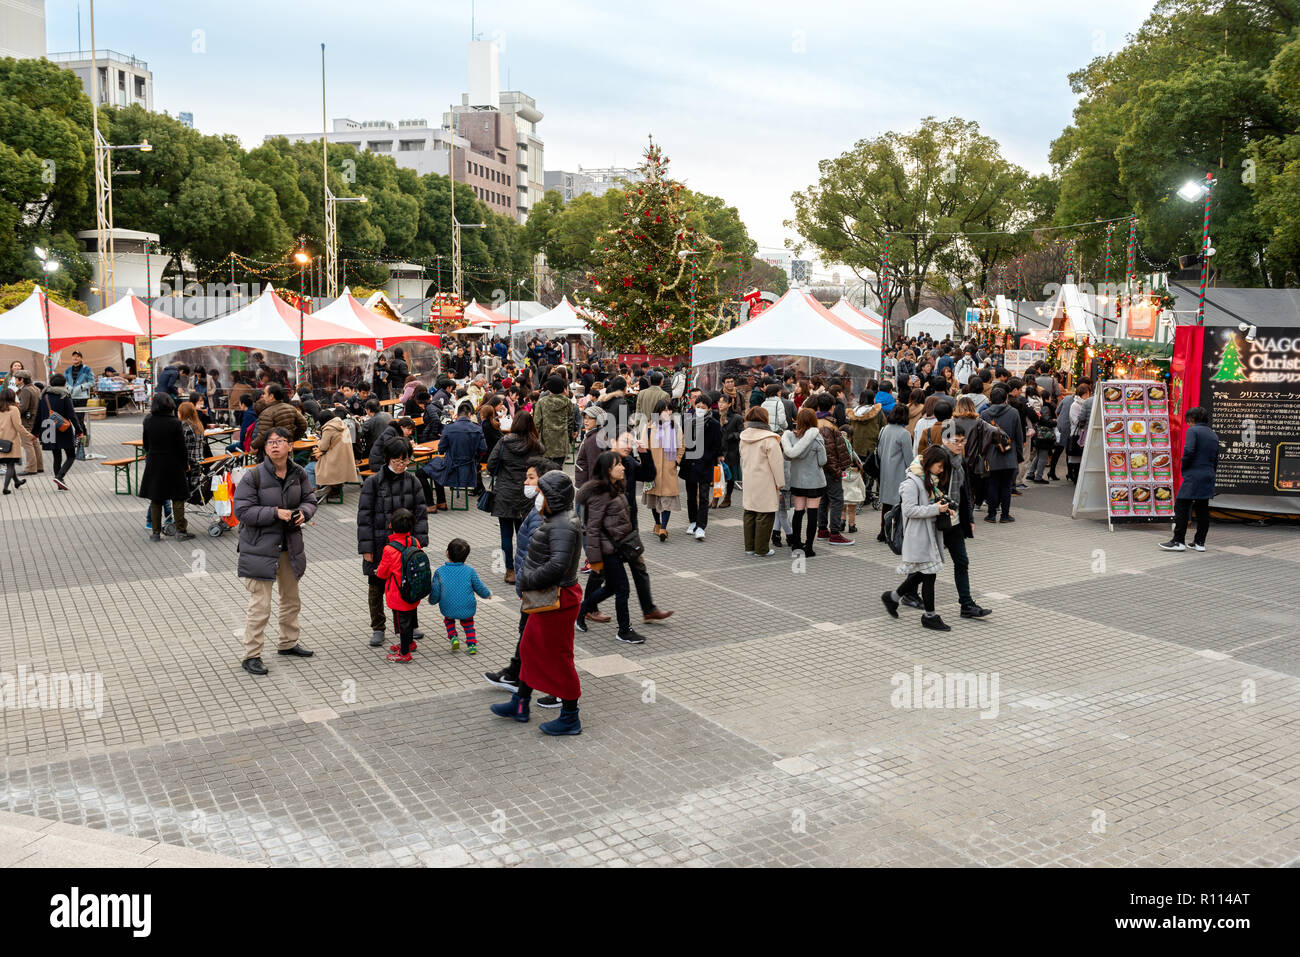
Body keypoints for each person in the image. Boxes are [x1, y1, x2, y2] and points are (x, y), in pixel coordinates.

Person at [490, 471, 585, 735]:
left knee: (558, 657)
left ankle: (570, 716)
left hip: (558, 600)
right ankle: (520, 703)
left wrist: (528, 579)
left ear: (552, 496)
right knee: (530, 648)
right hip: (548, 597)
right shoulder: (556, 518)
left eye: (542, 492)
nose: (537, 496)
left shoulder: (564, 524)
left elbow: (557, 565)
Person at [233, 427, 318, 675]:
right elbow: (242, 511)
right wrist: (274, 513)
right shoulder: (254, 476)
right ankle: (251, 655)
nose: (275, 446)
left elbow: (310, 500)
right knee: (260, 606)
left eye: (280, 441)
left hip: (289, 546)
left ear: (290, 446)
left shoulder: (299, 473)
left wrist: (305, 512)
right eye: (271, 442)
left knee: (291, 600)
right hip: (259, 548)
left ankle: (288, 642)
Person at [358, 436, 429, 648]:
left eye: (405, 460)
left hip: (407, 546)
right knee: (376, 585)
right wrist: (366, 548)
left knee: (408, 584)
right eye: (397, 460)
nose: (401, 465)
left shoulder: (413, 481)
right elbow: (364, 517)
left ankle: (408, 625)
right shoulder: (373, 482)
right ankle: (378, 627)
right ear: (388, 459)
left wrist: (418, 542)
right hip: (379, 543)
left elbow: (421, 514)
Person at [576, 450, 646, 644]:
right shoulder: (600, 494)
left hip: (617, 548)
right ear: (608, 469)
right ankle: (624, 630)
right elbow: (592, 529)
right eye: (618, 465)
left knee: (611, 588)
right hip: (607, 551)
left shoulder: (616, 487)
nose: (623, 467)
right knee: (622, 588)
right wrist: (595, 559)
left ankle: (581, 611)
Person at [880, 445, 954, 631]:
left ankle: (893, 598)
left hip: (929, 534)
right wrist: (936, 509)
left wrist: (943, 507)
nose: (941, 469)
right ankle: (930, 616)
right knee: (929, 575)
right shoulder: (911, 483)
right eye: (939, 465)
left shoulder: (928, 480)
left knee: (923, 573)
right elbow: (910, 510)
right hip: (919, 536)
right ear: (929, 462)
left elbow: (928, 504)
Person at [486, 410, 543, 584]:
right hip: (527, 494)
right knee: (524, 534)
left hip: (505, 492)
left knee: (505, 535)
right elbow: (542, 467)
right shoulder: (537, 446)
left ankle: (509, 570)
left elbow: (490, 465)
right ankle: (524, 567)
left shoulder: (504, 443)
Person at [1161, 406, 1219, 552]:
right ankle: (1199, 542)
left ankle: (1178, 541)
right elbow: (1215, 458)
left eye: (1188, 421)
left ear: (1192, 419)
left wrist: (1184, 466)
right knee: (1202, 508)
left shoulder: (1193, 431)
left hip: (1194, 475)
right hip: (1208, 474)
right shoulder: (1213, 434)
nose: (1188, 423)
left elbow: (1189, 451)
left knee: (1181, 506)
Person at [372, 507, 425, 662]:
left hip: (398, 591)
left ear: (391, 526)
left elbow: (382, 572)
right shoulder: (414, 541)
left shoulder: (389, 549)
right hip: (413, 588)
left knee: (402, 623)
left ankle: (404, 652)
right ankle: (410, 643)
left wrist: (377, 572)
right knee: (411, 616)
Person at [428, 537, 491, 654]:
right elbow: (479, 587)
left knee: (449, 620)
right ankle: (472, 644)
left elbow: (436, 590)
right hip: (467, 605)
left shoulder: (440, 572)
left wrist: (432, 600)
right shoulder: (470, 570)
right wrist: (487, 594)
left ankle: (453, 637)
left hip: (448, 606)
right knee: (468, 623)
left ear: (447, 553)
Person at [781, 406, 827, 557]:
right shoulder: (817, 439)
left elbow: (787, 456)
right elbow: (823, 461)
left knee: (798, 512)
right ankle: (809, 546)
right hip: (814, 481)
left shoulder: (792, 438)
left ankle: (796, 544)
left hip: (797, 481)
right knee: (812, 513)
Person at [738, 406, 784, 556]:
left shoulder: (743, 437)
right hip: (766, 480)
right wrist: (780, 483)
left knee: (749, 512)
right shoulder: (770, 439)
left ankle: (749, 547)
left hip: (749, 478)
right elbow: (777, 465)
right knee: (765, 513)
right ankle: (761, 549)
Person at [680, 392, 723, 541]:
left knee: (704, 496)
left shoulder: (714, 424)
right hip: (689, 462)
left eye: (702, 407)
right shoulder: (687, 420)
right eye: (697, 406)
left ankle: (701, 526)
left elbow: (718, 445)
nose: (699, 409)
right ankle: (692, 521)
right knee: (691, 494)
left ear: (709, 408)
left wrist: (713, 458)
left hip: (705, 463)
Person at [812, 393, 853, 545]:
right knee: (836, 499)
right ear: (832, 407)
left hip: (817, 468)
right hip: (830, 468)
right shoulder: (829, 426)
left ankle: (822, 529)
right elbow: (830, 452)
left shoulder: (814, 422)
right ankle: (835, 533)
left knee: (823, 499)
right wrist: (837, 470)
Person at [979, 385, 1022, 523]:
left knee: (992, 484)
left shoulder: (985, 414)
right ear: (1005, 398)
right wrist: (1018, 455)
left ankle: (991, 514)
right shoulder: (1014, 413)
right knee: (1006, 485)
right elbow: (1018, 436)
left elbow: (981, 437)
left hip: (991, 455)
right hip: (1009, 454)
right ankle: (1005, 515)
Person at [35, 373, 84, 491]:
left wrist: (35, 432)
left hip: (48, 429)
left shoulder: (43, 396)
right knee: (71, 456)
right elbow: (72, 416)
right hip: (64, 429)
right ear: (64, 384)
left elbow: (38, 416)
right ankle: (59, 476)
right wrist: (79, 430)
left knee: (57, 457)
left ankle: (59, 485)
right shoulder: (64, 396)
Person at [644, 399, 682, 541]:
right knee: (654, 499)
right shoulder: (649, 427)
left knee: (667, 499)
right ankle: (658, 523)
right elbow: (643, 448)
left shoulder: (675, 427)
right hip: (652, 470)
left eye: (669, 409)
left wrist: (676, 461)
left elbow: (681, 445)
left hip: (668, 470)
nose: (668, 412)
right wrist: (646, 465)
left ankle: (664, 528)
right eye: (664, 410)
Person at [429, 401, 487, 494]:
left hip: (451, 468)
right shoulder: (477, 428)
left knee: (431, 466)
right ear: (469, 414)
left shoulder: (448, 428)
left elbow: (441, 449)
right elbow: (483, 449)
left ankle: (440, 502)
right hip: (471, 467)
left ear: (457, 414)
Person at [875, 403, 912, 541]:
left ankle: (883, 530)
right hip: (899, 472)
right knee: (899, 503)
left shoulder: (884, 429)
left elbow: (878, 451)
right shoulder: (904, 434)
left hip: (884, 471)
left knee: (886, 503)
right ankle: (896, 532)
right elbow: (909, 459)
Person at [312, 407, 360, 501]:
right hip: (346, 459)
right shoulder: (343, 424)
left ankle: (319, 491)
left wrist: (318, 441)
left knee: (311, 467)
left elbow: (322, 446)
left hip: (334, 461)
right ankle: (332, 488)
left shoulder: (329, 428)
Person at [250, 383, 307, 455]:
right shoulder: (290, 407)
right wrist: (290, 439)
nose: (263, 396)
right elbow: (304, 425)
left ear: (271, 396)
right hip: (287, 449)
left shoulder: (266, 413)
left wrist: (253, 445)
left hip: (273, 451)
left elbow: (263, 436)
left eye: (265, 394)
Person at [535, 375, 575, 468]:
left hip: (546, 442)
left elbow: (537, 423)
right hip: (562, 441)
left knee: (545, 469)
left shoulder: (542, 402)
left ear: (549, 388)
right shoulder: (568, 402)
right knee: (558, 468)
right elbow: (570, 420)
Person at [0, 389, 31, 494]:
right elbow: (18, 426)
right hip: (11, 441)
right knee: (10, 464)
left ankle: (17, 481)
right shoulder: (13, 409)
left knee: (9, 462)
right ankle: (5, 488)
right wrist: (29, 435)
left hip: (0, 441)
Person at [716, 392, 743, 508]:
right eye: (719, 402)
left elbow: (742, 432)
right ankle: (715, 498)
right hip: (719, 449)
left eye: (723, 402)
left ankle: (728, 497)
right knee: (717, 474)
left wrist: (733, 435)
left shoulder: (736, 417)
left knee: (730, 477)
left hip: (731, 450)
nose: (721, 404)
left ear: (729, 404)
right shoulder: (715, 416)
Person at [13, 372, 43, 474]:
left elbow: (23, 408)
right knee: (35, 442)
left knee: (27, 444)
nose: (15, 381)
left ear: (22, 380)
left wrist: (14, 408)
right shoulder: (35, 388)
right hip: (34, 418)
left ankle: (31, 468)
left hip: (27, 419)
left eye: (16, 379)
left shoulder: (25, 390)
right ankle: (39, 466)